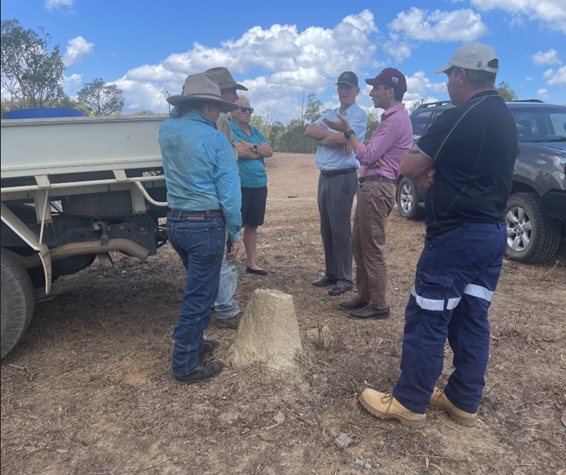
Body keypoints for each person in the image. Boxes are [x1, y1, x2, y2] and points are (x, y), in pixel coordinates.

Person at [359, 43, 518, 427]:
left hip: (456, 235)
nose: (447, 82)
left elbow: (408, 163)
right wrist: (432, 172)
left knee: (427, 314)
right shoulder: (506, 117)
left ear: (462, 75)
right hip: (493, 233)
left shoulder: (461, 115)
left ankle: (409, 401)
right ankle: (463, 399)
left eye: (448, 75)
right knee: (471, 316)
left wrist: (422, 172)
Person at [159, 73, 242, 385]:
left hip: (177, 223)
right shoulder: (216, 140)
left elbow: (172, 115)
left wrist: (180, 104)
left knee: (199, 288)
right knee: (201, 294)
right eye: (217, 107)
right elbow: (231, 195)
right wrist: (234, 232)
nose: (219, 113)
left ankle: (194, 344)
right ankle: (184, 364)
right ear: (208, 106)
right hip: (205, 225)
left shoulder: (167, 130)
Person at [323, 68, 413, 320]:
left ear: (390, 91)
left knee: (372, 247)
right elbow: (371, 154)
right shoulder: (390, 119)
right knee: (359, 243)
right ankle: (365, 296)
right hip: (370, 185)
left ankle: (379, 304)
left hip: (377, 187)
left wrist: (348, 132)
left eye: (376, 88)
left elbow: (366, 154)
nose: (372, 93)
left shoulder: (394, 121)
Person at [305, 72, 368, 296]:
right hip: (325, 176)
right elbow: (309, 130)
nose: (344, 91)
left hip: (343, 176)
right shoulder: (331, 113)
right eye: (341, 86)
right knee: (327, 228)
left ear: (357, 91)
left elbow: (343, 139)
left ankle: (344, 278)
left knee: (341, 229)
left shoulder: (358, 116)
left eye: (349, 87)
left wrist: (326, 137)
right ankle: (331, 273)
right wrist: (330, 135)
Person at [205, 67, 248, 330]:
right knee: (228, 255)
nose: (236, 95)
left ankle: (214, 302)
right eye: (231, 90)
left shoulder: (204, 119)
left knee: (212, 257)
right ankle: (227, 310)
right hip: (220, 197)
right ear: (219, 93)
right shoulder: (220, 120)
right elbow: (224, 166)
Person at [230, 95, 274, 276]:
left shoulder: (256, 132)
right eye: (243, 109)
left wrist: (253, 147)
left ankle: (251, 263)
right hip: (241, 185)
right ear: (233, 112)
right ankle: (229, 263)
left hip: (259, 185)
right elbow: (238, 151)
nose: (248, 113)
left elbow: (269, 151)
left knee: (252, 225)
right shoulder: (230, 130)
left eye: (250, 110)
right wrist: (258, 150)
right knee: (234, 226)